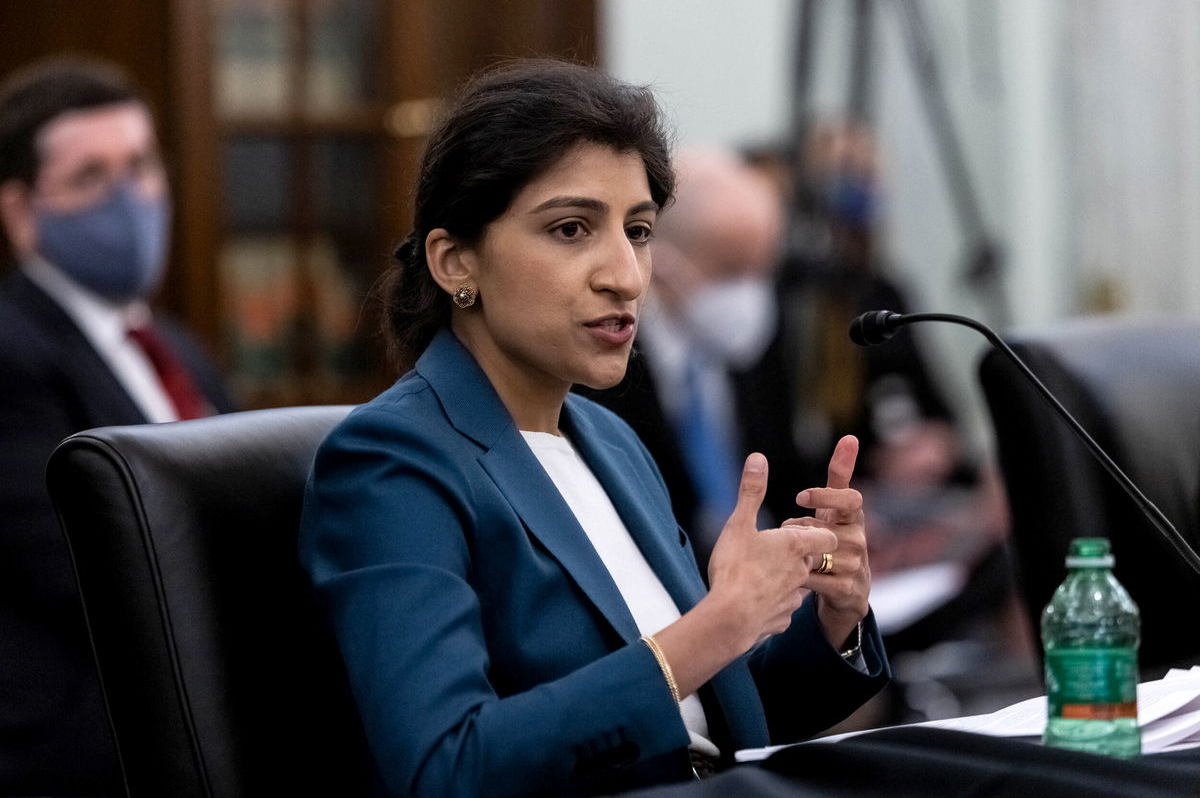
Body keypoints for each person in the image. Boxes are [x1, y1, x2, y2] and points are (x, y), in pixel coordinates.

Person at [299, 59, 889, 797]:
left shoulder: (609, 441)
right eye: (572, 228)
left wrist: (833, 617)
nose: (626, 275)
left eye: (638, 230)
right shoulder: (392, 459)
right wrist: (721, 622)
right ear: (455, 262)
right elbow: (447, 768)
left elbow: (713, 722)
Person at [0, 57, 235, 794]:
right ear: (20, 211)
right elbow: (78, 565)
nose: (128, 198)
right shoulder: (11, 352)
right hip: (83, 754)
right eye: (89, 177)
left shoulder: (178, 348)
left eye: (138, 165)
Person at [580, 148, 820, 573]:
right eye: (731, 272)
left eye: (761, 271)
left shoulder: (760, 348)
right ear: (663, 262)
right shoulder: (599, 367)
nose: (751, 297)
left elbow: (787, 480)